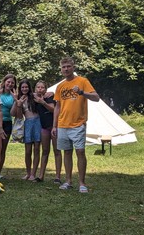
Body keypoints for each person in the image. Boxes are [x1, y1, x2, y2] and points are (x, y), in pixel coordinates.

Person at [52, 57, 99, 193]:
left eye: (68, 66)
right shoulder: (60, 86)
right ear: (61, 69)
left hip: (78, 124)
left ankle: (82, 183)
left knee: (80, 151)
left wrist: (82, 93)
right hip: (62, 124)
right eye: (63, 67)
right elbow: (57, 106)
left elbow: (96, 98)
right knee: (66, 152)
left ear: (73, 67)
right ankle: (68, 181)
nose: (66, 69)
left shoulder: (82, 81)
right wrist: (55, 125)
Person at [33, 80, 61, 183]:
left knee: (57, 151)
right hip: (44, 127)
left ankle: (57, 177)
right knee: (45, 151)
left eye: (42, 87)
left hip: (54, 126)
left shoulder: (50, 97)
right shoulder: (35, 99)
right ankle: (41, 176)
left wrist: (43, 102)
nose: (40, 89)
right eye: (38, 87)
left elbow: (53, 110)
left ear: (46, 89)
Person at [15, 79, 41, 181]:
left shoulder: (34, 96)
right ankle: (28, 172)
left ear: (29, 88)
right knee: (28, 151)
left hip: (37, 122)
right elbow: (19, 115)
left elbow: (45, 92)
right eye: (22, 87)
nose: (24, 89)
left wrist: (50, 92)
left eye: (26, 87)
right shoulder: (19, 99)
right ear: (20, 89)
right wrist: (19, 104)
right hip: (27, 123)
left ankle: (33, 174)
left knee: (37, 149)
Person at [0, 73, 17, 180]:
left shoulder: (14, 95)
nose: (10, 84)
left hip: (7, 123)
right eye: (8, 82)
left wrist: (16, 100)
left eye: (12, 83)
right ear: (4, 82)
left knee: (2, 149)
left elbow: (13, 113)